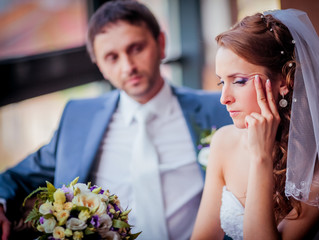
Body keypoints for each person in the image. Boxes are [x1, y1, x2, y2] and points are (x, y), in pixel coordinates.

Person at [0, 1, 232, 239]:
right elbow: (14, 178)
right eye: (112, 57)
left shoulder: (221, 109)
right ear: (99, 65)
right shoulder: (78, 117)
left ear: (161, 44)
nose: (128, 66)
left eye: (136, 48)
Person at [191, 9, 319, 240]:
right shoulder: (223, 141)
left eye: (239, 81)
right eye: (222, 82)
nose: (224, 98)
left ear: (283, 81)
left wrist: (261, 158)